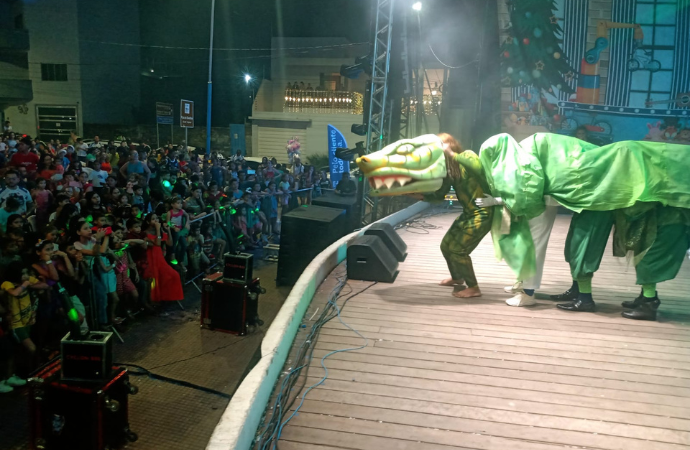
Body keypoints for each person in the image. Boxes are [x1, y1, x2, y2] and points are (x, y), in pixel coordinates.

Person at [142, 213, 184, 302]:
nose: (156, 221)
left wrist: (168, 231)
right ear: (147, 222)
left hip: (160, 258)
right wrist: (158, 229)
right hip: (151, 258)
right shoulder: (145, 233)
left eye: (157, 218)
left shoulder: (160, 231)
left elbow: (170, 243)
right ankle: (154, 300)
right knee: (154, 279)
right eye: (153, 219)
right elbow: (157, 243)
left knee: (174, 275)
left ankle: (166, 297)